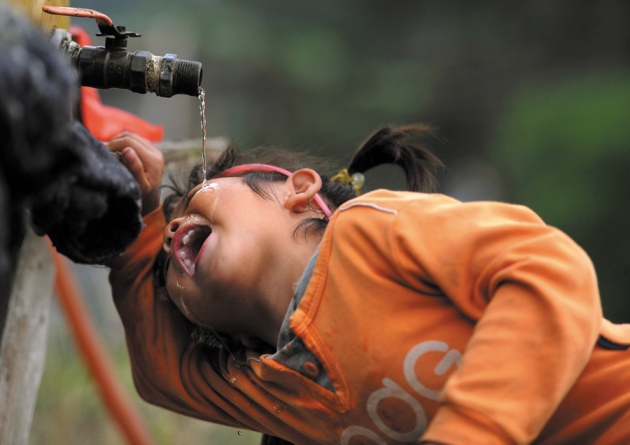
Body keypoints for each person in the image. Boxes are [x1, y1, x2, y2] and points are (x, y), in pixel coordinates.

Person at [105, 124, 630, 445]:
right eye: (170, 273)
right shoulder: (266, 387)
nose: (176, 227)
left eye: (197, 196)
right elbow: (160, 374)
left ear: (300, 190)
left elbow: (546, 265)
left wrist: (471, 433)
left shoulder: (369, 230)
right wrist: (139, 226)